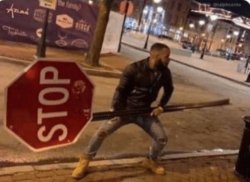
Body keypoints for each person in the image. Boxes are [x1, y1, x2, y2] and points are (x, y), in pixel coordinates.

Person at [72, 43, 174, 179]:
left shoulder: (165, 73)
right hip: (125, 110)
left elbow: (169, 90)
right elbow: (120, 90)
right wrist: (115, 109)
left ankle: (150, 160)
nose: (169, 59)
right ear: (155, 56)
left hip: (145, 112)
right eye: (167, 56)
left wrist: (161, 106)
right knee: (101, 132)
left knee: (161, 138)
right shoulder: (133, 69)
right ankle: (85, 160)